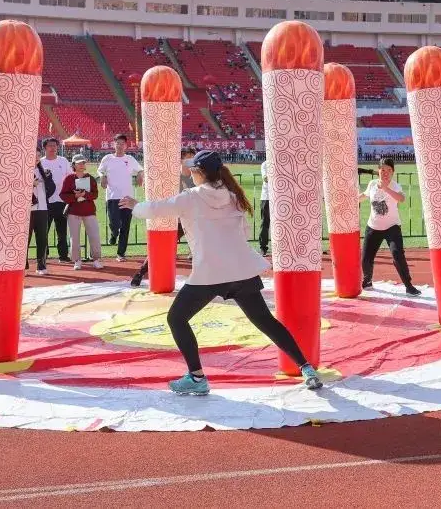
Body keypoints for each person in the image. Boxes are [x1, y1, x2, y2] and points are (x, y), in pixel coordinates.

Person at [119, 150, 322, 395]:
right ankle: (306, 368)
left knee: (176, 319)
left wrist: (135, 205)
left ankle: (196, 377)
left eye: (193, 169)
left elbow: (156, 209)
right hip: (241, 269)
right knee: (266, 321)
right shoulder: (233, 196)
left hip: (210, 272)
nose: (189, 172)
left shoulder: (191, 197)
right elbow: (244, 232)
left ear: (199, 173)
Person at [130, 149, 194, 287]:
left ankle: (205, 279)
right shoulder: (173, 176)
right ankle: (141, 273)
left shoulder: (196, 176)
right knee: (161, 248)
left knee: (202, 248)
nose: (191, 161)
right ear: (181, 160)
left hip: (193, 220)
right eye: (188, 158)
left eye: (192, 158)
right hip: (174, 220)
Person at [358, 158, 420, 296]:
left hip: (392, 227)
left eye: (389, 170)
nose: (385, 173)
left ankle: (409, 286)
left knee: (397, 255)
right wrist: (352, 199)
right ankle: (367, 281)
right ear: (378, 170)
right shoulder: (372, 184)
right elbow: (364, 195)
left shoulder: (395, 185)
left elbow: (401, 198)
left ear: (393, 172)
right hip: (373, 227)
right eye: (383, 170)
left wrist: (386, 188)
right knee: (366, 258)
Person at [97, 134, 143, 261]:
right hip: (112, 197)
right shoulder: (108, 158)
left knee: (125, 227)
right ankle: (113, 234)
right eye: (118, 143)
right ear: (114, 144)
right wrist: (102, 176)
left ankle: (121, 253)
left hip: (128, 198)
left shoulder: (130, 159)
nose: (120, 145)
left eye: (122, 143)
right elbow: (100, 170)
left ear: (126, 146)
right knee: (114, 223)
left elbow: (140, 169)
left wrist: (140, 174)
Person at [60, 154, 103, 270]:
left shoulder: (91, 178)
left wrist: (85, 194)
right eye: (79, 163)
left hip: (89, 211)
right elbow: (63, 195)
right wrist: (75, 196)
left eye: (83, 162)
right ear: (73, 165)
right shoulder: (69, 178)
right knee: (74, 238)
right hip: (73, 212)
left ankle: (96, 259)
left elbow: (95, 194)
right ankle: (77, 260)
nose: (81, 165)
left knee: (94, 236)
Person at [40, 138, 73, 264]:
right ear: (45, 148)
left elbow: (70, 177)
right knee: (44, 230)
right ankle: (43, 254)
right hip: (45, 202)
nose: (52, 148)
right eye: (50, 145)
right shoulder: (40, 162)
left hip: (61, 200)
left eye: (54, 145)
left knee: (62, 231)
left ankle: (63, 255)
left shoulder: (63, 161)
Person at [29, 152, 52, 275]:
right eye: (34, 155)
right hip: (28, 210)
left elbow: (51, 188)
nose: (37, 157)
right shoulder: (22, 171)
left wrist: (48, 179)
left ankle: (41, 266)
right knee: (25, 239)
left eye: (38, 155)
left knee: (42, 238)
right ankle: (22, 266)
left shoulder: (45, 171)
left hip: (43, 208)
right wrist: (30, 184)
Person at [258, 160, 270, 256]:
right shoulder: (265, 164)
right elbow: (265, 178)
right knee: (265, 222)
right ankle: (263, 247)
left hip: (280, 198)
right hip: (267, 197)